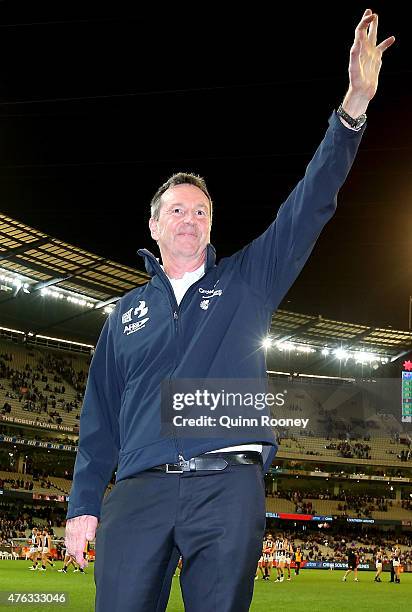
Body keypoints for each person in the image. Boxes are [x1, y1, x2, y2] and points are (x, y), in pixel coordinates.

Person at [65, 9, 395, 612]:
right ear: (153, 225)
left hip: (227, 484)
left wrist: (352, 108)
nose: (190, 218)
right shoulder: (124, 315)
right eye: (177, 210)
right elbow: (98, 420)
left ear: (211, 225)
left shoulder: (245, 283)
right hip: (139, 490)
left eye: (201, 211)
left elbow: (307, 206)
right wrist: (84, 502)